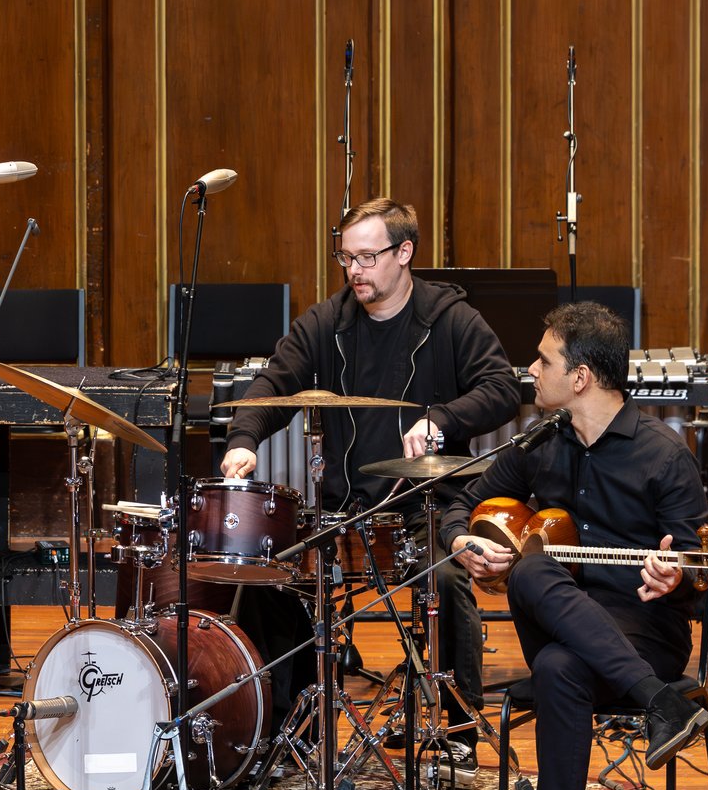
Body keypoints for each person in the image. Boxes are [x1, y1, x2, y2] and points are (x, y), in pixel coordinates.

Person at [219, 198, 519, 752]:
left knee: (449, 578)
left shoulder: (452, 320)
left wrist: (444, 418)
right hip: (344, 510)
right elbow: (272, 388)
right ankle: (285, 732)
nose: (354, 270)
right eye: (345, 258)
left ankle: (455, 732)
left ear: (404, 253)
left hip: (427, 506)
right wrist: (243, 442)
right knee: (269, 572)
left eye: (366, 257)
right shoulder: (327, 323)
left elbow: (502, 388)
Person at [447, 302, 708, 790]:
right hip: (557, 618)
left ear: (580, 377)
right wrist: (462, 538)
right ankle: (660, 703)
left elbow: (702, 584)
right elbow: (462, 500)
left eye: (543, 361)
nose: (531, 370)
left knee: (556, 668)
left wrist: (677, 578)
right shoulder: (540, 441)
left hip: (645, 633)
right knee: (532, 573)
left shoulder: (665, 456)